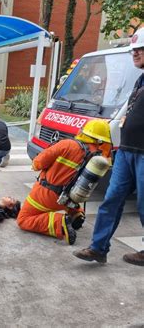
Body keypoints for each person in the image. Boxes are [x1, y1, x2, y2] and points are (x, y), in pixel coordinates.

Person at [74, 27, 144, 265]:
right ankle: (98, 248)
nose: (135, 54)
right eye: (134, 50)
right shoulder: (140, 80)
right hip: (126, 151)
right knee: (111, 199)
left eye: (140, 50)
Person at [17, 119, 112, 245]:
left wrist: (36, 165)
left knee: (23, 219)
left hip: (47, 195)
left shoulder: (68, 144)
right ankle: (77, 214)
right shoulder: (99, 157)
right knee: (70, 202)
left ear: (84, 132)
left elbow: (38, 163)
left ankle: (61, 223)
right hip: (72, 197)